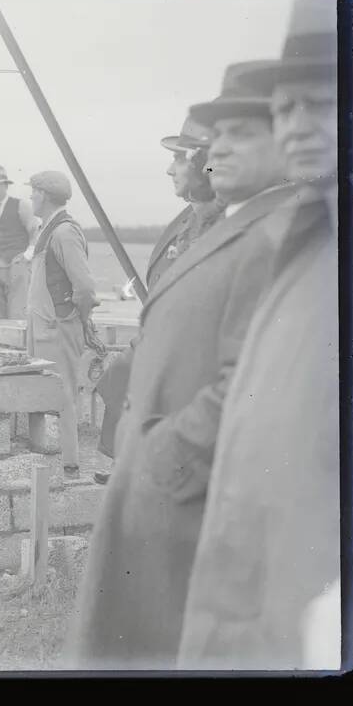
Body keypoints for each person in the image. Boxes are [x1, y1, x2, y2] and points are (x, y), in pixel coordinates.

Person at [66, 60, 296, 669]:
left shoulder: (281, 234)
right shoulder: (236, 220)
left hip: (194, 492)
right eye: (214, 138)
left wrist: (163, 456)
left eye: (241, 135)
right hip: (168, 488)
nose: (217, 152)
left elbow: (256, 380)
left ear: (292, 140)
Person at [178, 0, 342, 670]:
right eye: (283, 107)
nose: (296, 124)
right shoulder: (310, 238)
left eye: (322, 101)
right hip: (256, 604)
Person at [94, 117, 224, 480]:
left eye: (180, 159)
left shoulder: (226, 228)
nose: (170, 169)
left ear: (204, 164)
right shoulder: (187, 219)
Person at [25, 171, 99, 477]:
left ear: (43, 195)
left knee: (65, 394)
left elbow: (85, 288)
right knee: (44, 391)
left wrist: (81, 322)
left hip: (58, 327)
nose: (30, 198)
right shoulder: (46, 230)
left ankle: (70, 466)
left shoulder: (64, 232)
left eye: (33, 193)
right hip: (42, 327)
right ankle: (43, 462)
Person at [0, 165, 39, 319]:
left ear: (5, 186)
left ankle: (17, 335)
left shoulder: (22, 206)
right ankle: (5, 334)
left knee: (18, 310)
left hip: (17, 264)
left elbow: (35, 231)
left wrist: (28, 254)